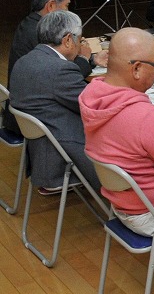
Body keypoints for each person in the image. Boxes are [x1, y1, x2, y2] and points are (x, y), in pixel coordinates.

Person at [80, 28, 154, 237]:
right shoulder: (144, 116)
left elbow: (132, 139)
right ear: (136, 69)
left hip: (125, 207)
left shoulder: (93, 97)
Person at [9, 11, 100, 195]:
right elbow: (94, 108)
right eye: (80, 40)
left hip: (42, 153)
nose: (81, 45)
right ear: (68, 40)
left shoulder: (25, 60)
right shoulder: (59, 70)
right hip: (64, 157)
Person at [3, 0, 105, 136]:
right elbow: (61, 76)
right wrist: (84, 58)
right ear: (51, 6)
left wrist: (91, 59)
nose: (68, 12)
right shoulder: (40, 33)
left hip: (26, 113)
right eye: (66, 6)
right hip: (45, 123)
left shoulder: (29, 24)